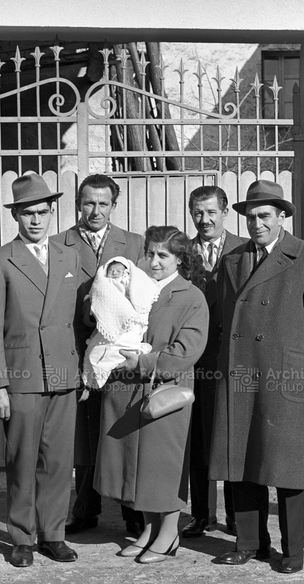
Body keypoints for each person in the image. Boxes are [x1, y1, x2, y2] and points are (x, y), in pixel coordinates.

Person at [208, 180, 304, 574]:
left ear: (282, 216)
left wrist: (302, 361)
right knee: (243, 459)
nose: (256, 224)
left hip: (285, 374)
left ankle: (293, 552)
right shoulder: (233, 260)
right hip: (241, 370)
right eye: (250, 217)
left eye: (264, 216)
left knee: (285, 466)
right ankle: (249, 543)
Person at [0, 173, 80, 568]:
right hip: (21, 376)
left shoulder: (69, 256)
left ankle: (54, 534)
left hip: (64, 374)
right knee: (21, 459)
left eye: (42, 212)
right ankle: (21, 536)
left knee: (58, 460)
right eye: (27, 213)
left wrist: (82, 367)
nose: (35, 220)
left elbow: (79, 316)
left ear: (51, 213)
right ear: (16, 215)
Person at [94, 225, 208, 564]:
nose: (155, 262)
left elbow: (187, 349)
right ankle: (147, 529)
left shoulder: (190, 296)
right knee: (136, 466)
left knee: (163, 465)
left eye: (164, 255)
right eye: (151, 254)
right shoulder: (133, 286)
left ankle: (169, 533)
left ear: (180, 259)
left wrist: (143, 362)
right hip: (128, 390)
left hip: (166, 391)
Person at [57, 174, 146, 536]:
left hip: (121, 353)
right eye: (89, 203)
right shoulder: (58, 244)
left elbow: (143, 296)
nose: (96, 211)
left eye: (103, 203)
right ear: (79, 204)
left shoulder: (135, 244)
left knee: (123, 429)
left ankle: (132, 511)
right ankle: (85, 508)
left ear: (114, 205)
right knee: (84, 434)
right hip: (77, 349)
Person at [183, 185, 247, 539]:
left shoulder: (244, 249)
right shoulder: (184, 252)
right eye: (198, 213)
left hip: (233, 356)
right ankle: (202, 513)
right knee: (200, 437)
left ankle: (238, 515)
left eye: (210, 212)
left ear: (225, 213)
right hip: (195, 358)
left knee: (232, 435)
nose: (204, 220)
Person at [81, 256, 159, 391]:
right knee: (100, 349)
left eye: (119, 270)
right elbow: (100, 298)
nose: (115, 273)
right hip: (111, 322)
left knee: (127, 341)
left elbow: (138, 294)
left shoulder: (129, 281)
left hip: (131, 322)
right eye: (111, 271)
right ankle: (100, 371)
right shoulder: (105, 285)